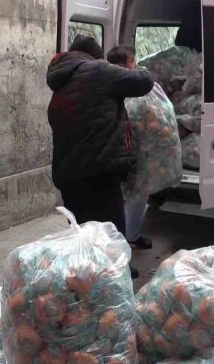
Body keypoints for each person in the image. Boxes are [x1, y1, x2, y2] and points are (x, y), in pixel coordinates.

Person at [46, 35, 154, 278]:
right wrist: (138, 67)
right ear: (96, 56)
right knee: (110, 229)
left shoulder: (62, 79)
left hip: (67, 172)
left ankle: (87, 280)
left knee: (82, 233)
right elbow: (143, 82)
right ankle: (115, 277)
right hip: (98, 170)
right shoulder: (98, 70)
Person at [106, 45, 154, 250]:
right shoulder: (122, 83)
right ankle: (123, 243)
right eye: (132, 62)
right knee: (130, 195)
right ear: (125, 64)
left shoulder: (106, 80)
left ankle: (131, 235)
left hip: (127, 148)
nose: (134, 66)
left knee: (132, 195)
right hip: (121, 150)